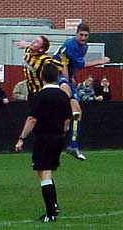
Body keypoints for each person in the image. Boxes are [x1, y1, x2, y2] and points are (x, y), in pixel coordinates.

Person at [15, 63, 72, 222]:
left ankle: (50, 213)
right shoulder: (63, 95)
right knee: (45, 172)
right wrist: (63, 131)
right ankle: (53, 206)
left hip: (44, 138)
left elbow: (32, 119)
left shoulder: (40, 96)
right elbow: (68, 119)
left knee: (44, 174)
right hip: (58, 137)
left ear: (41, 77)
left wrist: (21, 138)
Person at [53, 22, 110, 160]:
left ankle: (73, 145)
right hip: (56, 73)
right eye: (81, 35)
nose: (83, 37)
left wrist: (71, 78)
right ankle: (60, 134)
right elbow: (78, 64)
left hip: (66, 76)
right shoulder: (70, 44)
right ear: (76, 33)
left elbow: (73, 65)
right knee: (67, 103)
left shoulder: (84, 47)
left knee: (77, 112)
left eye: (86, 35)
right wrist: (100, 61)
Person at [17, 35, 66, 102]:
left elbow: (62, 67)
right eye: (34, 40)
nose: (33, 41)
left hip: (41, 92)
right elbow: (27, 46)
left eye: (37, 42)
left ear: (41, 49)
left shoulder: (45, 60)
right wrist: (24, 44)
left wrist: (65, 81)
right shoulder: (28, 51)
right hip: (31, 91)